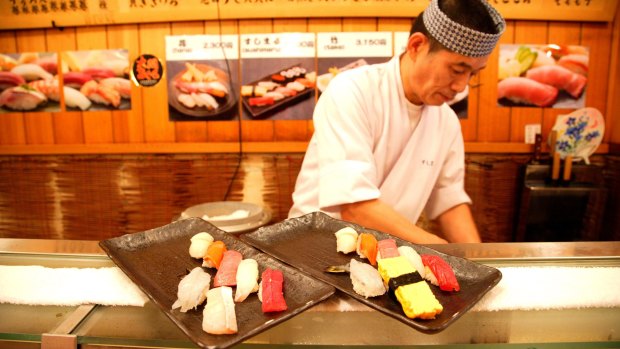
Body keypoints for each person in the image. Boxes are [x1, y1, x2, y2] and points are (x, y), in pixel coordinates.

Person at [288, 0, 506, 244]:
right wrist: (440, 249)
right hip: (313, 248)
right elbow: (354, 206)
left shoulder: (446, 121)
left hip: (384, 252)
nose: (461, 86)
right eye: (457, 69)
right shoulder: (353, 89)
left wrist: (476, 258)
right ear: (416, 46)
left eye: (473, 74)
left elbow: (449, 200)